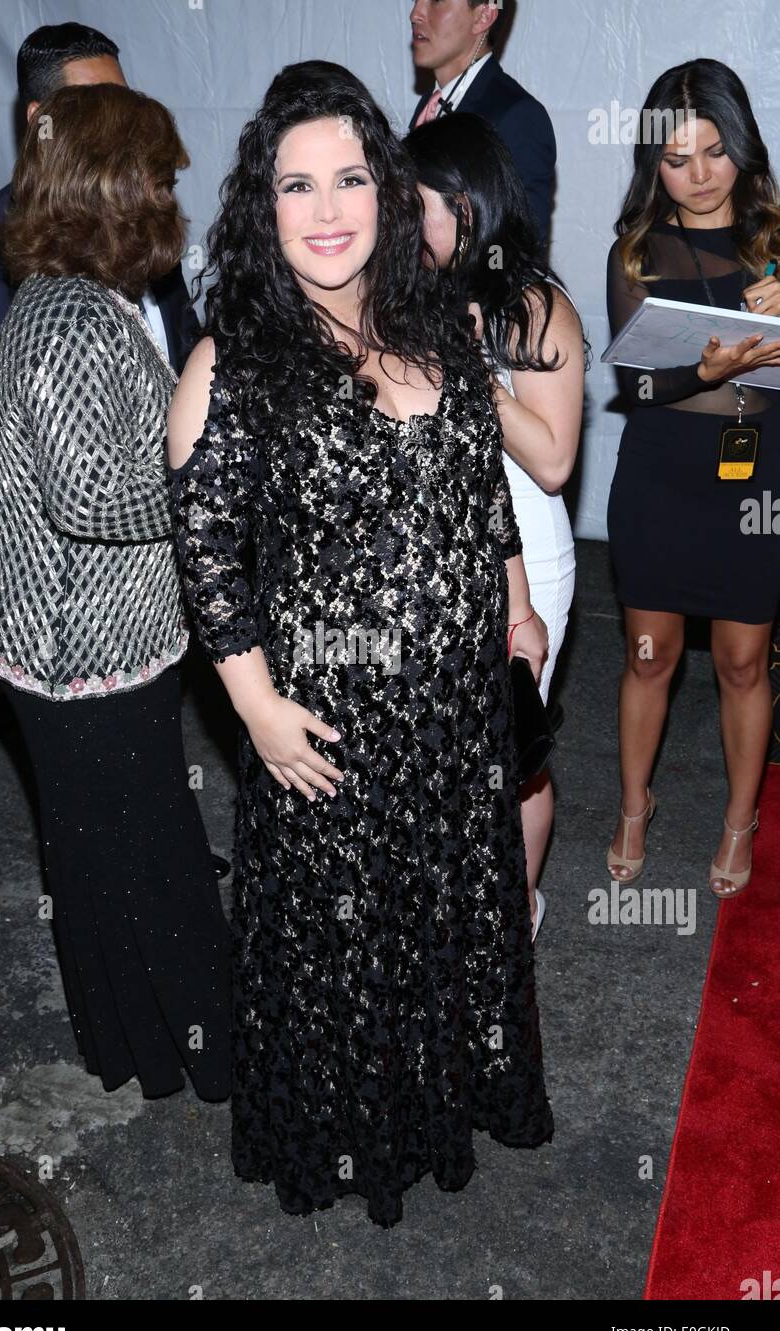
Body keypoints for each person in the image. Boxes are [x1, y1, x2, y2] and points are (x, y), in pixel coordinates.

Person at [169, 59, 553, 1227]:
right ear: (260, 207)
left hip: (451, 717)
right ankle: (352, 1143)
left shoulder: (435, 319)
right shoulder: (228, 365)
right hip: (330, 736)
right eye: (296, 186)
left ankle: (442, 1097)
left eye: (348, 179)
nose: (327, 210)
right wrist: (254, 708)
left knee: (443, 922)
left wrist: (519, 608)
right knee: (343, 952)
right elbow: (206, 557)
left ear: (387, 193)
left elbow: (479, 491)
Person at [0, 84, 231, 1099]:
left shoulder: (54, 296)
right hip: (87, 653)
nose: (173, 193)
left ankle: (130, 1040)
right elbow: (96, 496)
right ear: (115, 186)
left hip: (54, 650)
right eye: (160, 175)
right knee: (153, 858)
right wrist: (209, 474)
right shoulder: (75, 318)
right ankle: (213, 1048)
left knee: (94, 865)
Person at [0, 21, 197, 619]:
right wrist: (208, 488)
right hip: (79, 598)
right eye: (96, 107)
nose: (120, 122)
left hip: (159, 559)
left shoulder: (133, 217)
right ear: (42, 121)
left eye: (124, 101)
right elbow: (39, 444)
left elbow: (175, 342)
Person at [405, 111, 585, 940]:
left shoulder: (536, 306)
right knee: (447, 760)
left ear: (465, 210)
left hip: (528, 561)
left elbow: (551, 462)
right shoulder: (418, 295)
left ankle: (517, 916)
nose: (400, 227)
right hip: (442, 554)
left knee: (511, 756)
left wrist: (476, 375)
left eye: (418, 210)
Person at [605, 58, 780, 896]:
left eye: (715, 151)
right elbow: (635, 384)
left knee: (746, 664)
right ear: (653, 163)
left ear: (741, 146)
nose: (700, 175)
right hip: (663, 475)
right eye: (677, 159)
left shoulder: (777, 244)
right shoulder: (636, 250)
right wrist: (704, 373)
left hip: (756, 485)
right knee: (650, 657)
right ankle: (635, 805)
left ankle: (739, 821)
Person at [408, 0, 556, 245]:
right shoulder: (428, 106)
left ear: (484, 16)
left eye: (436, 1)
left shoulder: (517, 117)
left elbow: (519, 254)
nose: (416, 14)